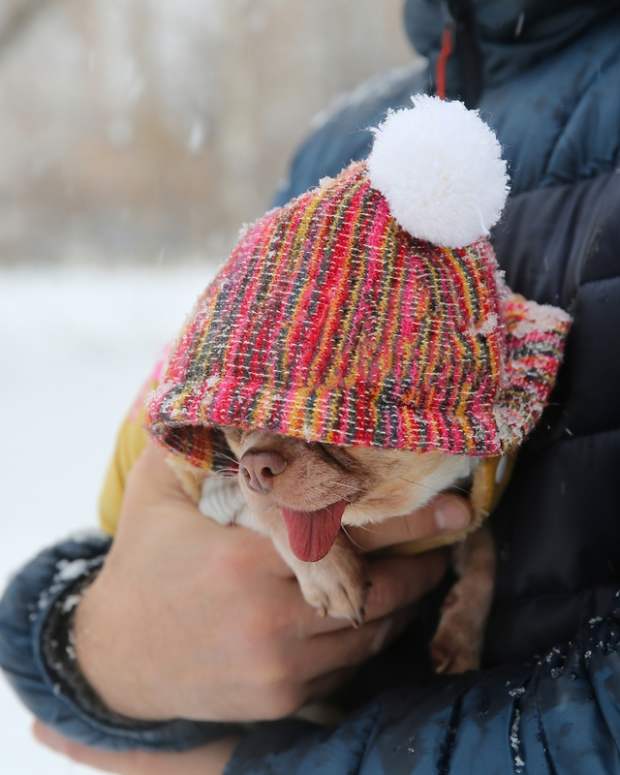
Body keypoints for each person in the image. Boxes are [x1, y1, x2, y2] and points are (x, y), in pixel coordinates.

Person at [2, 0, 620, 772]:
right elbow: (92, 568)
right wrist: (92, 646)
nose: (262, 453)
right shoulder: (334, 152)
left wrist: (250, 764)